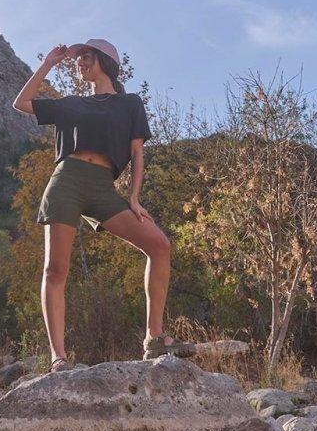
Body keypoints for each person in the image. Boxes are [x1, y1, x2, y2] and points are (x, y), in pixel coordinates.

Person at [12, 38, 196, 372]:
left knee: (159, 245)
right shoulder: (70, 105)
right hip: (66, 181)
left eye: (86, 56)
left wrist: (134, 198)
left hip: (103, 188)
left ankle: (154, 338)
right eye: (78, 57)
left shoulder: (129, 104)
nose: (80, 61)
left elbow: (138, 151)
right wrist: (49, 63)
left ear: (104, 61)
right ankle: (59, 358)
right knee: (56, 269)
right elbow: (21, 102)